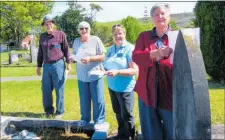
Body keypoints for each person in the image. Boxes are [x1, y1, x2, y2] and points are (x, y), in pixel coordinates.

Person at [132, 3, 173, 140]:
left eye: (163, 13)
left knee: (172, 130)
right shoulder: (144, 37)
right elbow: (136, 57)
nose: (160, 16)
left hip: (170, 94)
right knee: (151, 132)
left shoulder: (176, 37)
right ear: (152, 19)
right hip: (147, 92)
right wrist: (155, 53)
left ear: (169, 17)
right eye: (156, 14)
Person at [104, 24, 138, 139]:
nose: (118, 36)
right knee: (118, 112)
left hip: (125, 88)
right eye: (115, 34)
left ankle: (130, 136)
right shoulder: (111, 49)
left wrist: (118, 72)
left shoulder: (130, 48)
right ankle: (121, 134)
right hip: (112, 87)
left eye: (120, 33)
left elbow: (134, 70)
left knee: (127, 114)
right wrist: (101, 70)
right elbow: (107, 65)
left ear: (124, 34)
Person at [72, 21, 107, 130]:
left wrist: (90, 59)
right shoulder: (76, 41)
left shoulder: (96, 40)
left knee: (98, 99)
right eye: (81, 28)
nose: (84, 30)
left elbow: (103, 56)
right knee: (84, 99)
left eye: (86, 28)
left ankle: (99, 121)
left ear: (89, 29)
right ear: (79, 30)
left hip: (95, 75)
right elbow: (74, 55)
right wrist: (72, 58)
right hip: (82, 76)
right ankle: (85, 119)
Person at [37, 15, 71, 119]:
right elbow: (40, 53)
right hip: (46, 66)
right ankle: (48, 111)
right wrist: (39, 66)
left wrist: (69, 64)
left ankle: (60, 112)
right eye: (46, 24)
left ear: (53, 24)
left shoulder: (61, 34)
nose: (48, 25)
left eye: (50, 23)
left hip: (58, 64)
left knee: (59, 88)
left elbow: (66, 50)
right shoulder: (42, 36)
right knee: (46, 89)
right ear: (44, 26)